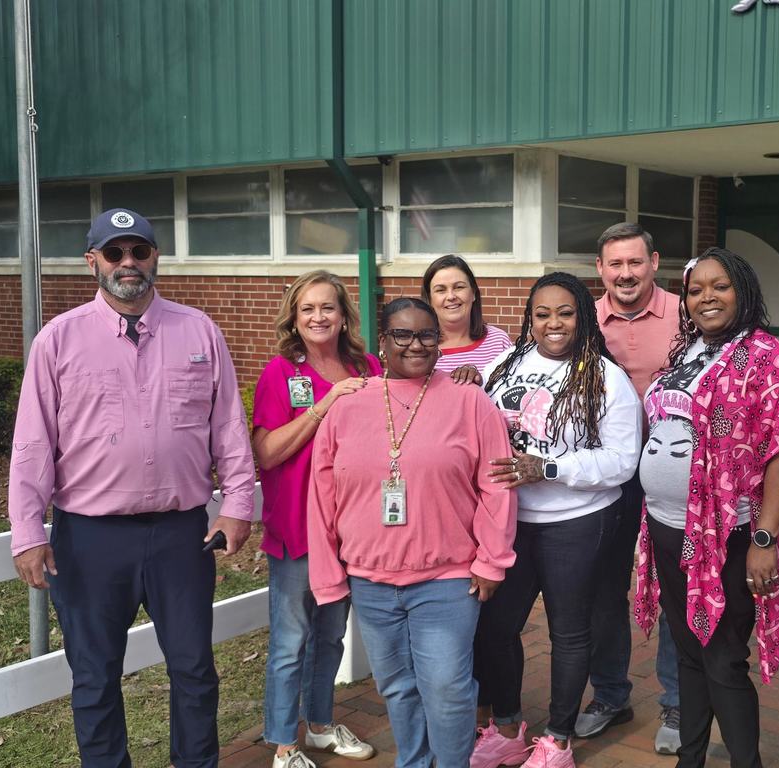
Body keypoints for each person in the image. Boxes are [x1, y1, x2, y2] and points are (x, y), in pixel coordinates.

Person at [8, 208, 256, 768]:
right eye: (114, 253)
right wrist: (26, 531)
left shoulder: (199, 331)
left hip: (180, 535)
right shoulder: (58, 340)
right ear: (91, 260)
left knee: (194, 668)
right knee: (94, 676)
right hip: (91, 540)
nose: (128, 263)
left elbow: (228, 429)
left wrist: (238, 503)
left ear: (155, 258)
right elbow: (32, 445)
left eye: (138, 251)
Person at [306, 297, 517, 768]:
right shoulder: (348, 405)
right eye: (403, 334)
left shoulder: (470, 402)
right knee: (397, 686)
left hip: (447, 577)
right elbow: (321, 498)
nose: (416, 344)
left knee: (446, 687)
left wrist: (492, 560)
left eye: (427, 334)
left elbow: (497, 487)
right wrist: (329, 577)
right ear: (382, 341)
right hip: (370, 580)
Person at [634, 247, 779, 768]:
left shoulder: (765, 356)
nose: (706, 297)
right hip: (669, 528)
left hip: (731, 535)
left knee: (723, 657)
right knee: (689, 653)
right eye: (694, 289)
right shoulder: (688, 352)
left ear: (744, 291)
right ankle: (691, 759)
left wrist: (766, 539)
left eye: (720, 286)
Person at [472, 272, 641, 768]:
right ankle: (506, 728)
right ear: (529, 318)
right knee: (498, 627)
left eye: (565, 312)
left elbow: (621, 462)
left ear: (583, 316)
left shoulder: (605, 377)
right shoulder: (506, 365)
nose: (553, 323)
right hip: (511, 521)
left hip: (576, 522)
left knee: (567, 632)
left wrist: (548, 467)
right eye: (542, 313)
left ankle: (558, 740)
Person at [252, 270, 381, 767]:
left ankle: (322, 726)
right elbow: (266, 452)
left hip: (350, 529)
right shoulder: (281, 373)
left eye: (327, 307)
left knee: (331, 635)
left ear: (344, 314)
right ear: (294, 317)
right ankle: (285, 744)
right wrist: (324, 405)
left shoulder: (366, 365)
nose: (318, 317)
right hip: (298, 528)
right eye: (308, 309)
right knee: (291, 640)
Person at [577, 222, 683, 754]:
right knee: (603, 589)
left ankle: (678, 703)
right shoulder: (582, 323)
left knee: (674, 590)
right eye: (614, 264)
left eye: (634, 262)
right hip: (611, 480)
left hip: (673, 479)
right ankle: (611, 695)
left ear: (653, 262)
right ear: (600, 269)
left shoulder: (686, 316)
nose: (625, 273)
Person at [422, 254, 512, 373]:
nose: (451, 296)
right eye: (440, 290)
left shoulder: (499, 342)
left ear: (473, 293)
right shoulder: (418, 346)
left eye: (459, 287)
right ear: (429, 299)